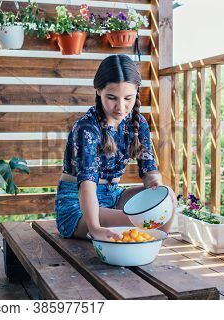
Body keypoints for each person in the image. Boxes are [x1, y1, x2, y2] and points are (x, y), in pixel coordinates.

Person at [55, 54, 177, 241]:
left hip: (114, 196)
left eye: (128, 98)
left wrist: (153, 183)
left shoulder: (138, 123)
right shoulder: (86, 128)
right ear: (98, 91)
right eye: (112, 98)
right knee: (144, 220)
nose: (121, 107)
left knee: (169, 197)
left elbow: (148, 169)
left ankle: (152, 245)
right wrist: (94, 228)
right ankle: (142, 240)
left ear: (137, 90)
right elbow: (87, 185)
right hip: (79, 206)